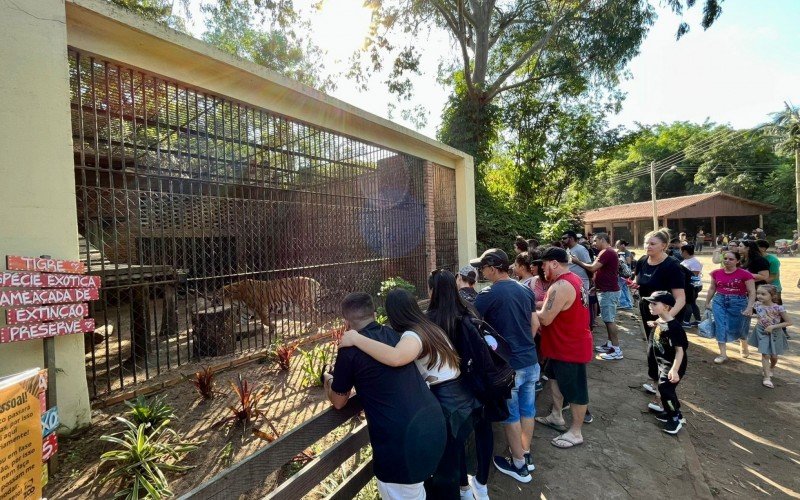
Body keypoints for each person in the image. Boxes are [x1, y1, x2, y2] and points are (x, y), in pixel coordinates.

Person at [339, 289, 478, 498]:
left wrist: (355, 339)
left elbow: (395, 358)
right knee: (448, 466)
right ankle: (465, 491)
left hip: (444, 403)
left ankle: (463, 492)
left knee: (444, 475)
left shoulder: (411, 335)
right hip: (452, 402)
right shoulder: (426, 328)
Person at [325, 292, 446, 499]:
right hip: (432, 425)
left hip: (400, 444)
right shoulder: (395, 335)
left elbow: (338, 401)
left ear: (346, 321)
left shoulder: (349, 350)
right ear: (374, 313)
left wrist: (327, 380)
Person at [471, 248, 539, 483]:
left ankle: (519, 465)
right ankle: (525, 454)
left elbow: (471, 326)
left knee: (511, 415)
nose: (481, 271)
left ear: (492, 268)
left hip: (509, 367)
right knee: (527, 410)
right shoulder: (524, 289)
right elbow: (534, 324)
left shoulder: (488, 294)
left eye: (482, 267)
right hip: (531, 360)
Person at [426, 270, 492, 500]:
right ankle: (482, 484)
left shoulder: (430, 320)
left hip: (450, 391)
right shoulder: (468, 309)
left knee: (455, 441)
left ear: (432, 291)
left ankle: (463, 487)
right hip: (477, 385)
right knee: (482, 432)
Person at [532, 247, 593, 448]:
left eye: (544, 263)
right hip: (560, 346)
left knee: (576, 391)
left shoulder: (560, 285)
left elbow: (546, 319)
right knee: (555, 380)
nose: (542, 267)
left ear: (554, 263)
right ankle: (556, 416)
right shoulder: (574, 280)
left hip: (569, 348)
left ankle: (576, 432)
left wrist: (527, 308)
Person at [633, 229, 686, 411]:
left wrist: (667, 320)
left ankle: (663, 395)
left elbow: (680, 298)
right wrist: (635, 286)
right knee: (651, 347)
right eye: (646, 243)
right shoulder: (641, 261)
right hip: (647, 310)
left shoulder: (672, 266)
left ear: (664, 246)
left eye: (652, 243)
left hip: (665, 315)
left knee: (664, 352)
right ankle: (655, 382)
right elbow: (639, 282)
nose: (648, 246)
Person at [642, 291, 688, 435]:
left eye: (654, 303)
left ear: (666, 307)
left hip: (672, 365)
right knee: (667, 390)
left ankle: (674, 419)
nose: (650, 306)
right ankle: (675, 413)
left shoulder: (674, 328)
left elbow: (680, 351)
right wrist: (654, 323)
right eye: (650, 302)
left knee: (665, 390)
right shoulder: (661, 320)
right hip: (663, 364)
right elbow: (661, 324)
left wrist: (674, 370)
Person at [571, 233, 622, 360]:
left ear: (602, 239)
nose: (593, 243)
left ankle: (616, 349)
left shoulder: (607, 252)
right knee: (607, 319)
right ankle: (610, 344)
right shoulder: (605, 252)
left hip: (609, 292)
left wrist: (577, 262)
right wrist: (597, 286)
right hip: (605, 290)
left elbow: (593, 268)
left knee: (609, 320)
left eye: (595, 241)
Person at [705, 251, 756, 364]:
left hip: (739, 302)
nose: (727, 261)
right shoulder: (716, 273)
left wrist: (749, 307)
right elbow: (712, 288)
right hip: (719, 301)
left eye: (731, 259)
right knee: (720, 325)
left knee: (741, 326)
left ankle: (743, 343)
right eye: (725, 258)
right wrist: (707, 301)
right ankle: (723, 354)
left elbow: (752, 292)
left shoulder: (745, 274)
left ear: (737, 261)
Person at [746, 285, 791, 389]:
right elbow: (760, 315)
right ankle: (767, 378)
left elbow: (789, 322)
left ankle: (771, 367)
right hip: (761, 331)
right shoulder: (757, 305)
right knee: (765, 354)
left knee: (774, 356)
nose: (759, 296)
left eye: (763, 294)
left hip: (775, 333)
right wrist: (751, 315)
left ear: (772, 295)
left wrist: (773, 327)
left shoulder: (778, 308)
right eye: (758, 293)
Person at [561, 230, 593, 328]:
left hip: (582, 282)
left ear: (571, 238)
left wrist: (590, 280)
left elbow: (589, 265)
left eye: (564, 238)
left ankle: (587, 327)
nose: (562, 240)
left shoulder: (580, 249)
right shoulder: (568, 250)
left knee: (583, 306)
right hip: (571, 283)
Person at [680, 244, 703, 327]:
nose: (680, 253)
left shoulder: (694, 262)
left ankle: (686, 322)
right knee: (692, 303)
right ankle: (697, 320)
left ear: (685, 252)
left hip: (692, 286)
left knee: (688, 303)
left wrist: (693, 288)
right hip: (688, 285)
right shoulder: (686, 260)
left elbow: (694, 276)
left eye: (681, 251)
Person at [615, 240, 634, 309]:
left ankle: (624, 303)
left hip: (623, 274)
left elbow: (628, 262)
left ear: (623, 245)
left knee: (618, 288)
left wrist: (621, 258)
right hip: (623, 274)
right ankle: (628, 304)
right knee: (624, 289)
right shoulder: (619, 252)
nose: (616, 246)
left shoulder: (627, 252)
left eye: (617, 245)